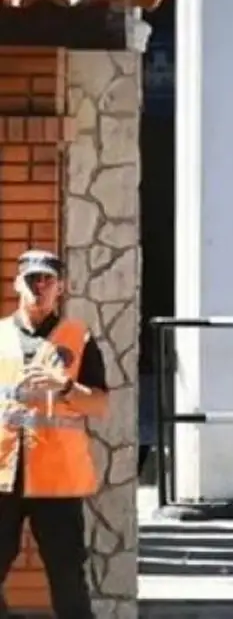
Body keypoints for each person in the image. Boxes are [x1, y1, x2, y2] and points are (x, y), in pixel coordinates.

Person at [0, 250, 109, 618]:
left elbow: (99, 405)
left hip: (57, 479)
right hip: (3, 476)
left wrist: (65, 388)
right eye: (32, 279)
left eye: (47, 280)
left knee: (67, 577)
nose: (39, 287)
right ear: (17, 284)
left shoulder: (79, 338)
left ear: (60, 287)